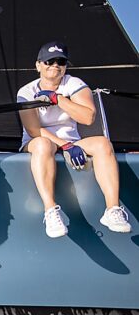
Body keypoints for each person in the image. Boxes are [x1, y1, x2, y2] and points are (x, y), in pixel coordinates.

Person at [16, 41, 131, 237]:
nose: (55, 65)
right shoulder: (26, 92)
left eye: (60, 61)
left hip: (72, 141)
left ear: (66, 66)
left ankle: (112, 209)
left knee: (103, 143)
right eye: (49, 61)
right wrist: (65, 145)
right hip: (40, 141)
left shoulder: (74, 84)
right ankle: (50, 210)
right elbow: (34, 130)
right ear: (38, 65)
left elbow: (88, 117)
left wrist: (58, 99)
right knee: (44, 145)